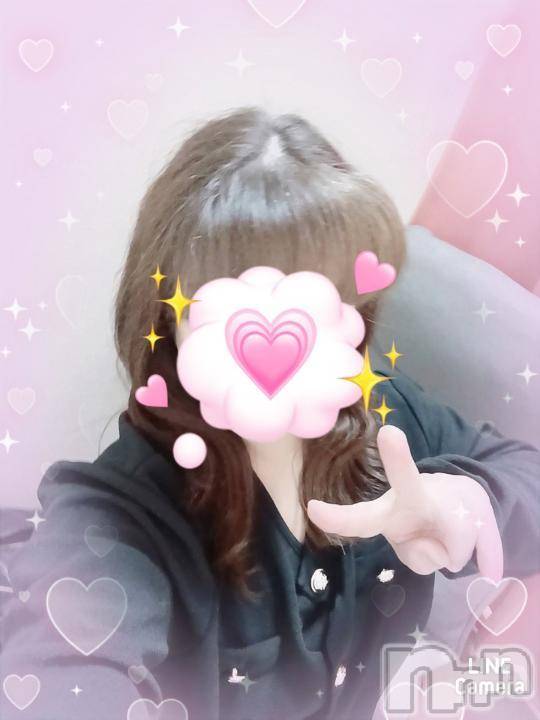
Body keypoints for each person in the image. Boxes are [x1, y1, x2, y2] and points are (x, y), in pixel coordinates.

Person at [1, 107, 538, 720]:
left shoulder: (385, 413)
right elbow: (62, 665)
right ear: (171, 322)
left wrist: (469, 501)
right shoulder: (121, 516)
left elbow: (524, 476)